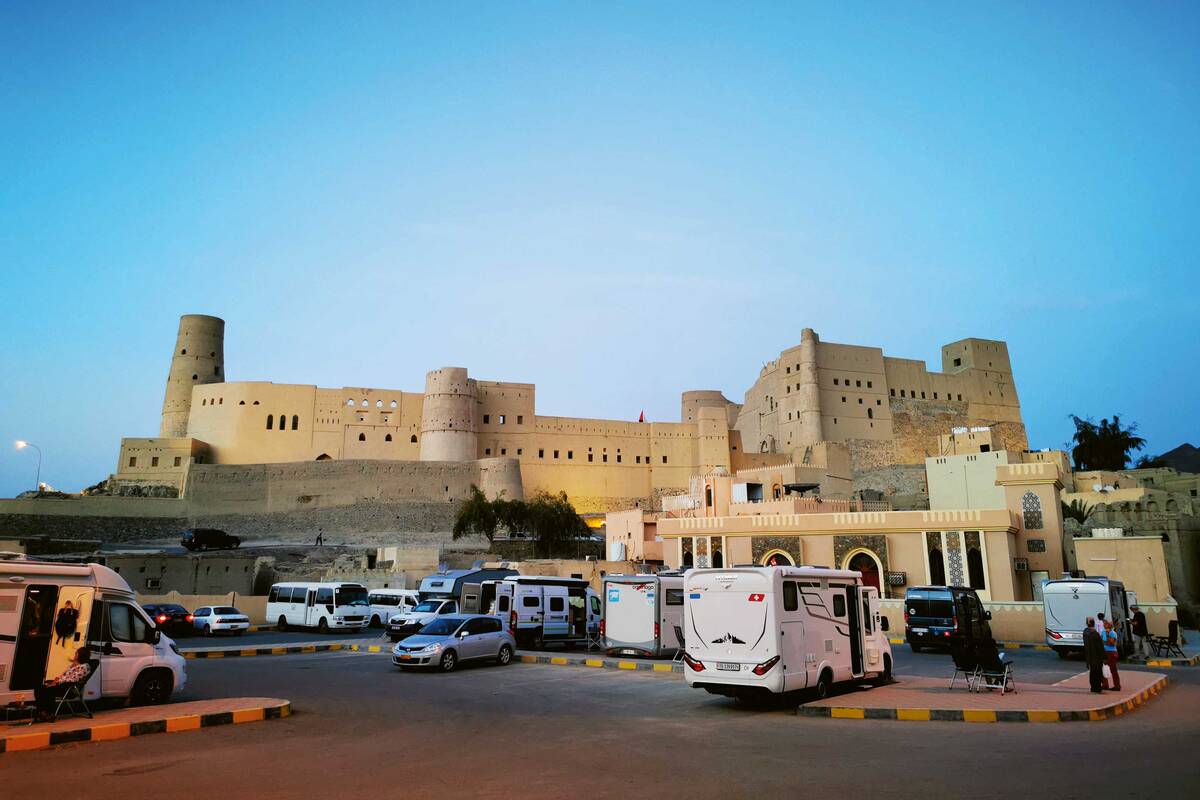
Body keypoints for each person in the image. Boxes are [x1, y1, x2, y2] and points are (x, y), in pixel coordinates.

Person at [34, 646, 92, 722]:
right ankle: (42, 712)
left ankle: (50, 713)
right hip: (63, 685)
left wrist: (57, 682)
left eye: (76, 653)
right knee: (39, 688)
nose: (74, 655)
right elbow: (65, 676)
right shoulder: (74, 666)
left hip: (69, 688)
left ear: (80, 655)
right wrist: (57, 680)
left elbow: (73, 679)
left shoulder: (84, 667)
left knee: (49, 690)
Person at [1082, 616, 1104, 694]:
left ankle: (1093, 687)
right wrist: (1104, 657)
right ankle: (1097, 688)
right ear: (1094, 624)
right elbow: (1100, 647)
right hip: (1097, 657)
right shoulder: (1095, 634)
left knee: (1092, 672)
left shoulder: (1085, 633)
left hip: (1090, 656)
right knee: (1098, 673)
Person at [1103, 620, 1122, 691]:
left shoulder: (1112, 633)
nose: (1104, 625)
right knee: (1104, 668)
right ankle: (1105, 685)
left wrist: (1107, 636)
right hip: (1105, 651)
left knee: (1113, 669)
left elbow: (1112, 643)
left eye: (1105, 624)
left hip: (1111, 652)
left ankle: (1117, 686)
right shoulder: (1103, 632)